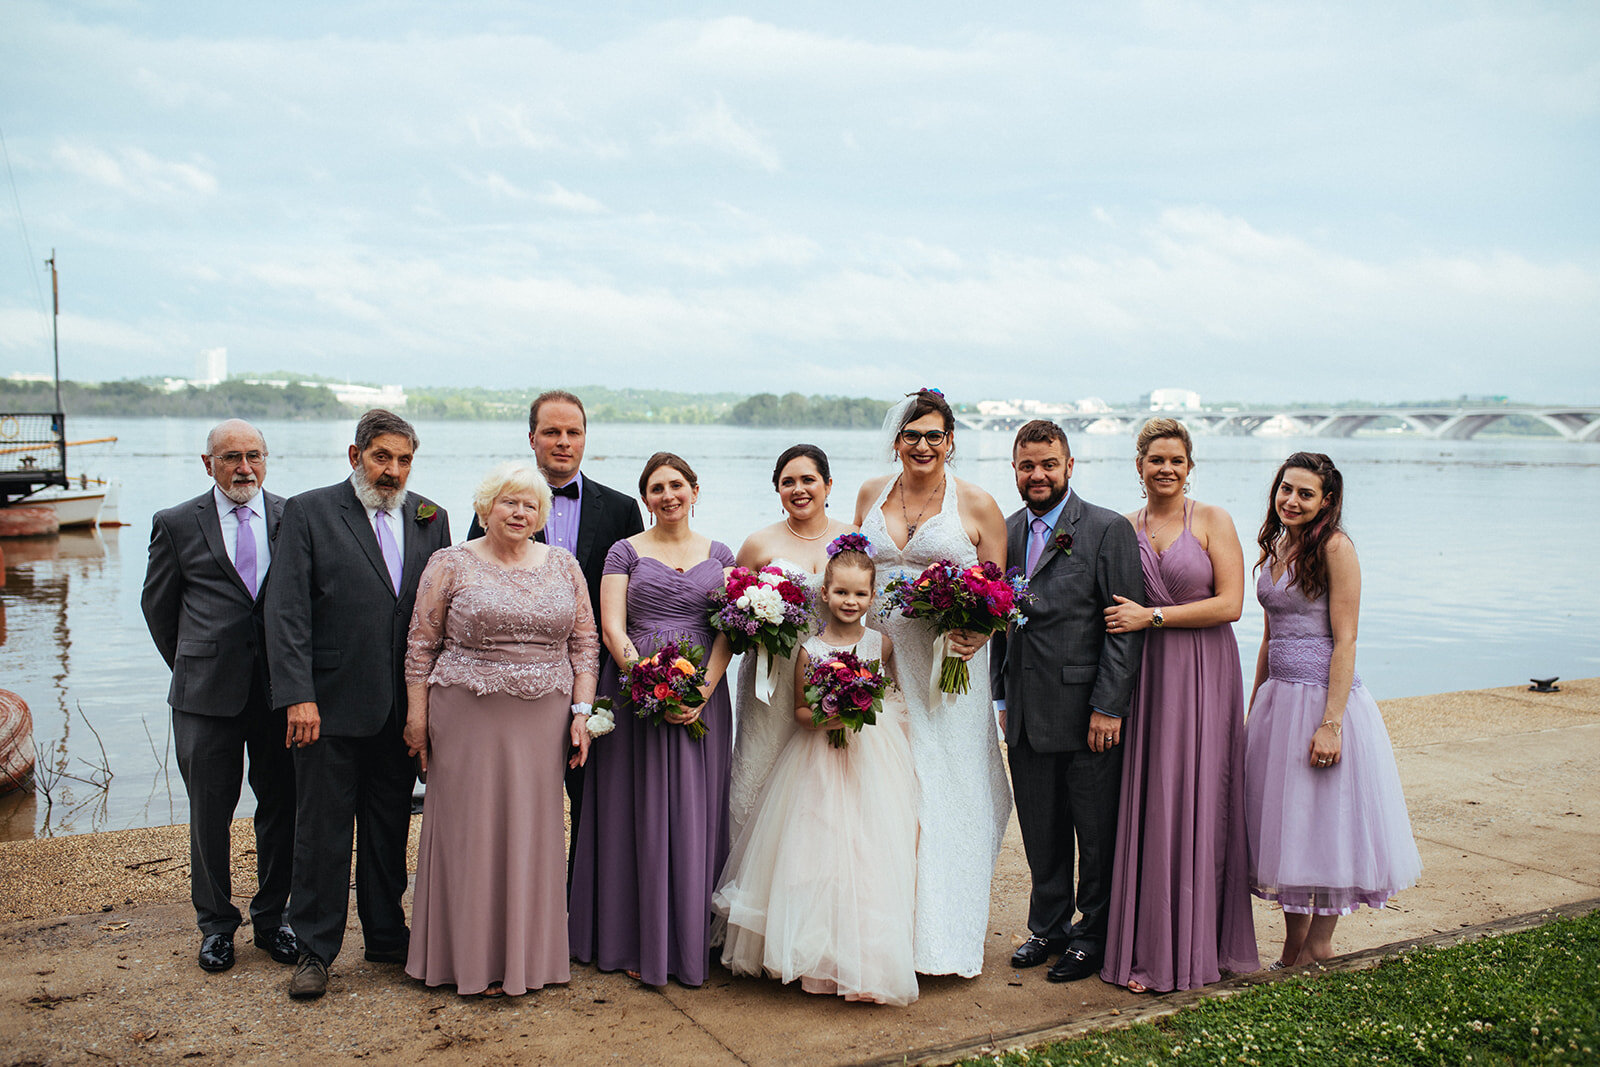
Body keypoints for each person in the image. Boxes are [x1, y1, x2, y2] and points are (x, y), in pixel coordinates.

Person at [264, 409, 452, 1000]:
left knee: (388, 827)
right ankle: (316, 949)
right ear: (355, 457)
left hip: (402, 710)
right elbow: (286, 609)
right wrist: (298, 695)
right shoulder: (309, 512)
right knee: (320, 833)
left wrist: (435, 708)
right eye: (381, 458)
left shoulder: (431, 518)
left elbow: (442, 616)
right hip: (327, 709)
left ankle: (386, 935)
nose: (392, 471)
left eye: (403, 460)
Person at [401, 461, 598, 997]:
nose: (519, 512)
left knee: (532, 833)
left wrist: (581, 715)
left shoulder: (564, 565)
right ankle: (461, 957)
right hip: (466, 714)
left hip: (543, 721)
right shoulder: (450, 563)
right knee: (470, 832)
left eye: (530, 504)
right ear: (486, 507)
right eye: (508, 502)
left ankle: (526, 959)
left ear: (542, 515)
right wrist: (417, 718)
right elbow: (421, 646)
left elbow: (584, 645)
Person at [715, 535, 919, 1006]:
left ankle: (863, 960)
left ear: (872, 596)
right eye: (842, 592)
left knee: (868, 855)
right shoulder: (810, 648)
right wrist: (837, 713)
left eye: (860, 594)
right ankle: (815, 960)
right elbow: (802, 713)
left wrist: (871, 723)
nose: (851, 601)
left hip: (873, 764)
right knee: (815, 853)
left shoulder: (881, 645)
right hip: (818, 762)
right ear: (823, 594)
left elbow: (892, 702)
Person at [854, 388, 1011, 978]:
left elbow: (999, 594)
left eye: (934, 436)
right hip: (880, 660)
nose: (923, 446)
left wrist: (980, 633)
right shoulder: (871, 494)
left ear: (950, 442)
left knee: (949, 793)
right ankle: (882, 930)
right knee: (884, 791)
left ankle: (943, 939)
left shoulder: (977, 505)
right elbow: (852, 569)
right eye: (912, 435)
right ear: (897, 440)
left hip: (948, 669)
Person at [1099, 419, 1258, 993]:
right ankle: (1148, 946)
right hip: (1145, 678)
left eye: (1176, 459)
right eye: (1155, 459)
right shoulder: (1121, 527)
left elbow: (1232, 604)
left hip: (1203, 672)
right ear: (1138, 465)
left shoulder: (1214, 520)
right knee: (1152, 801)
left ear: (1190, 466)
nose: (1166, 468)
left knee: (1199, 797)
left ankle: (1199, 945)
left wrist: (1153, 616)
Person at [1244, 452, 1421, 968]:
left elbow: (1346, 642)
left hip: (1323, 700)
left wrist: (1331, 724)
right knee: (1289, 827)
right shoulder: (1277, 546)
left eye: (1304, 493)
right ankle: (1292, 948)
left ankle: (1320, 945)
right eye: (1285, 489)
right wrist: (1257, 705)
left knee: (1325, 822)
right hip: (1279, 699)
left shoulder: (1336, 549)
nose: (1291, 500)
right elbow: (1268, 637)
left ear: (1327, 500)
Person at [568, 452, 736, 988]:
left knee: (693, 812)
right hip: (635, 694)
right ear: (645, 499)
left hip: (702, 695)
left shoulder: (721, 552)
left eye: (677, 485)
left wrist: (701, 692)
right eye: (656, 488)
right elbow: (611, 626)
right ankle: (628, 937)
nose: (668, 495)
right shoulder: (625, 552)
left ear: (694, 489)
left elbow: (729, 629)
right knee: (629, 811)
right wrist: (646, 680)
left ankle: (689, 939)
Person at [140, 419, 298, 974]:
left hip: (279, 694)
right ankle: (215, 926)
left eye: (254, 455)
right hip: (205, 696)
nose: (244, 467)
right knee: (210, 812)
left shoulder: (290, 517)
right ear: (208, 463)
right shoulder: (177, 523)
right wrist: (193, 664)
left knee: (281, 807)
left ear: (266, 458)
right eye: (231, 457)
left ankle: (273, 919)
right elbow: (159, 608)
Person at [990, 419, 1144, 983]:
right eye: (1027, 466)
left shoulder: (1106, 529)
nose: (1038, 475)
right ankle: (1048, 928)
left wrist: (1110, 706)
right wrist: (1001, 696)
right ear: (1014, 469)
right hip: (1026, 712)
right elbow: (996, 624)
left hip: (1087, 712)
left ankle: (1092, 935)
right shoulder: (1002, 533)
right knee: (1041, 829)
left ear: (1069, 467)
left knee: (1095, 833)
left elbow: (1123, 629)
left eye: (1048, 465)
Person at [466, 390, 643, 876]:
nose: (563, 442)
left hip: (599, 677)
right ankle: (520, 902)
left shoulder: (622, 509)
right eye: (552, 432)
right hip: (516, 684)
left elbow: (633, 599)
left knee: (593, 800)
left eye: (573, 432)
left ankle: (579, 914)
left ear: (585, 439)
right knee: (518, 797)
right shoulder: (499, 506)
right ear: (532, 439)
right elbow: (474, 584)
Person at [728, 444, 853, 846]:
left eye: (808, 480)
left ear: (828, 484)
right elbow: (731, 617)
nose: (798, 489)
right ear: (777, 490)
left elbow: (863, 604)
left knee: (821, 784)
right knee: (762, 775)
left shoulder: (852, 540)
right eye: (788, 482)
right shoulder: (758, 544)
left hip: (829, 677)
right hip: (771, 679)